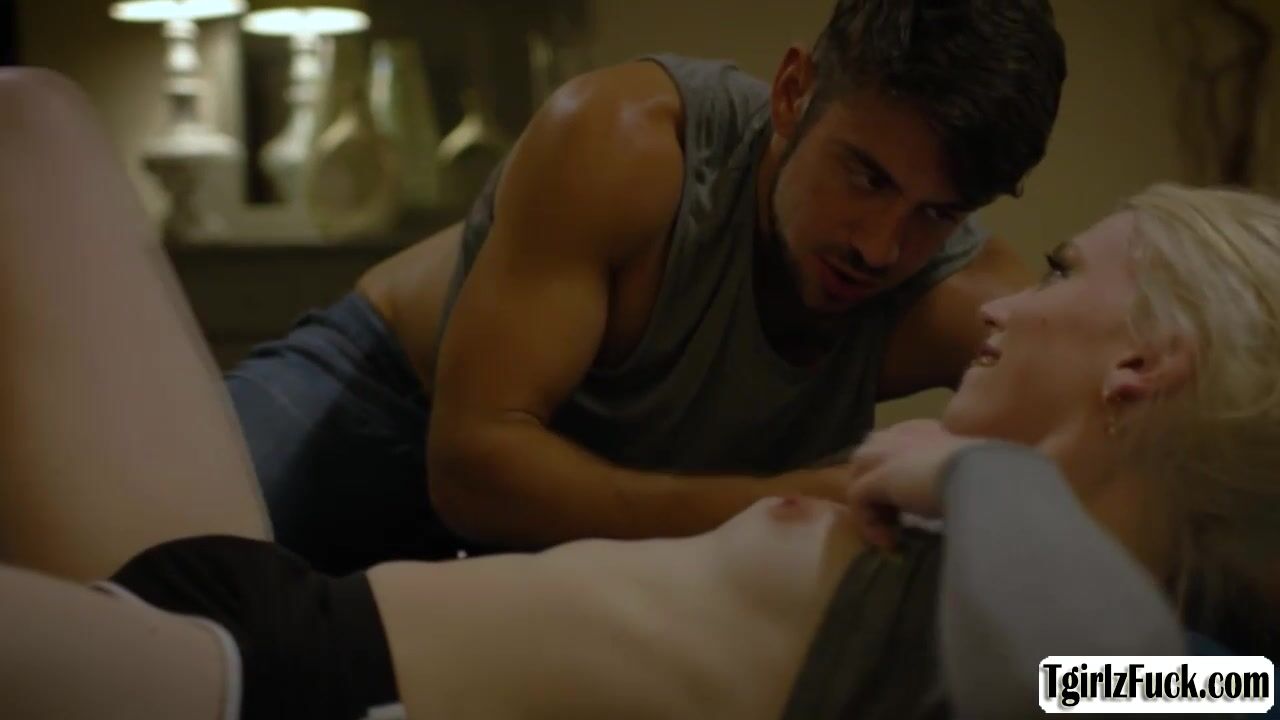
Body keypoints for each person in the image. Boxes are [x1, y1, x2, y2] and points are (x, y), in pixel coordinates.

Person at [4, 68, 1273, 720]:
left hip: (281, 687)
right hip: (265, 601)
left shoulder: (1167, 654)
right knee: (33, 122)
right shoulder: (989, 546)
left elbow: (1106, 676)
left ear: (1141, 362)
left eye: (1061, 273)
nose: (998, 302)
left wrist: (968, 468)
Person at [226, 0, 1068, 572]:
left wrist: (1157, 685)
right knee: (157, 567)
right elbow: (475, 471)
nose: (880, 247)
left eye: (937, 213)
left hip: (578, 516)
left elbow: (1108, 502)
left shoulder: (964, 300)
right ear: (792, 92)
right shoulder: (624, 140)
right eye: (866, 176)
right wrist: (784, 502)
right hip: (379, 397)